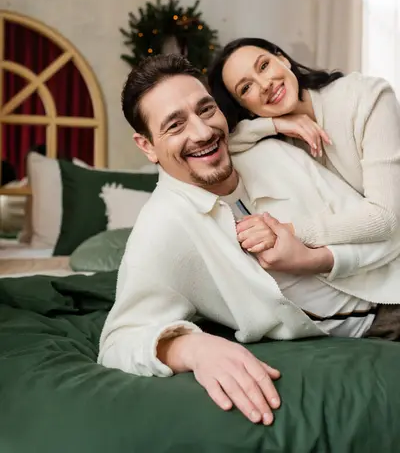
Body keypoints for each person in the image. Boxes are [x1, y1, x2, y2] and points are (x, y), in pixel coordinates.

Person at [98, 54, 400, 426]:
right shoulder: (164, 226)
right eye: (175, 125)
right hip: (368, 332)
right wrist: (192, 347)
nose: (203, 132)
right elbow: (119, 340)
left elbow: (390, 236)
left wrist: (315, 256)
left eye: (205, 110)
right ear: (146, 146)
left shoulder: (275, 155)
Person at [208, 37, 400, 248]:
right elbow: (224, 147)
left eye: (264, 66)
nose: (265, 85)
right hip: (370, 255)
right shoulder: (274, 139)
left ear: (282, 59)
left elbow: (386, 218)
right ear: (245, 109)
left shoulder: (367, 96)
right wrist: (275, 125)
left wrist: (286, 232)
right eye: (246, 88)